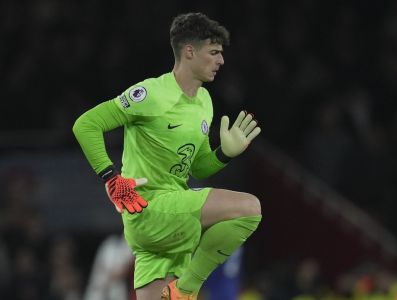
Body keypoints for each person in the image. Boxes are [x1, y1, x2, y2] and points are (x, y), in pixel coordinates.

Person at [73, 12, 262, 300]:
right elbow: (86, 125)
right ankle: (187, 287)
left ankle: (180, 290)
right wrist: (111, 178)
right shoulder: (152, 93)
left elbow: (197, 166)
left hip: (170, 219)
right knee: (249, 208)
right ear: (189, 52)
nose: (221, 61)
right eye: (213, 52)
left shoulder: (204, 102)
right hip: (150, 208)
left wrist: (224, 154)